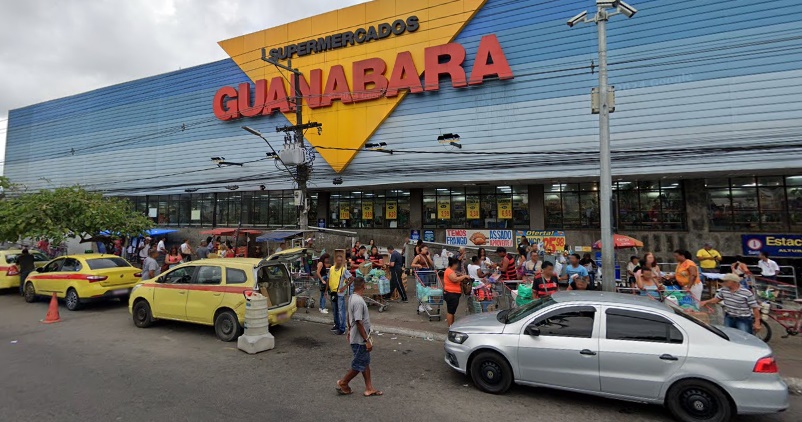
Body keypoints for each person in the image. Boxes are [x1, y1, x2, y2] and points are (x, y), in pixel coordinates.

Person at [337, 277, 382, 397]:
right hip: (359, 339)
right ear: (363, 286)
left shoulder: (352, 297)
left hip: (356, 336)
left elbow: (349, 315)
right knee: (359, 364)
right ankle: (343, 383)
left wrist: (349, 329)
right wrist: (366, 340)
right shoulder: (358, 301)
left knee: (365, 362)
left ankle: (369, 388)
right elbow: (358, 321)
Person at [443, 257, 471, 327]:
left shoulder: (451, 271)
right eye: (457, 264)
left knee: (452, 311)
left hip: (453, 293)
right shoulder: (449, 271)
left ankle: (452, 325)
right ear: (454, 264)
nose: (457, 266)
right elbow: (454, 279)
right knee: (450, 311)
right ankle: (450, 326)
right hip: (451, 293)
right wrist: (464, 276)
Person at [328, 254, 352, 335]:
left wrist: (345, 287)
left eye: (341, 261)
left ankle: (342, 328)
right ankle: (337, 325)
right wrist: (326, 291)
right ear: (335, 261)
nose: (339, 262)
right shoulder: (331, 269)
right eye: (338, 260)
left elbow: (352, 279)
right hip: (333, 292)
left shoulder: (343, 270)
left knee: (341, 311)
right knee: (335, 310)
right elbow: (328, 279)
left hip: (340, 294)